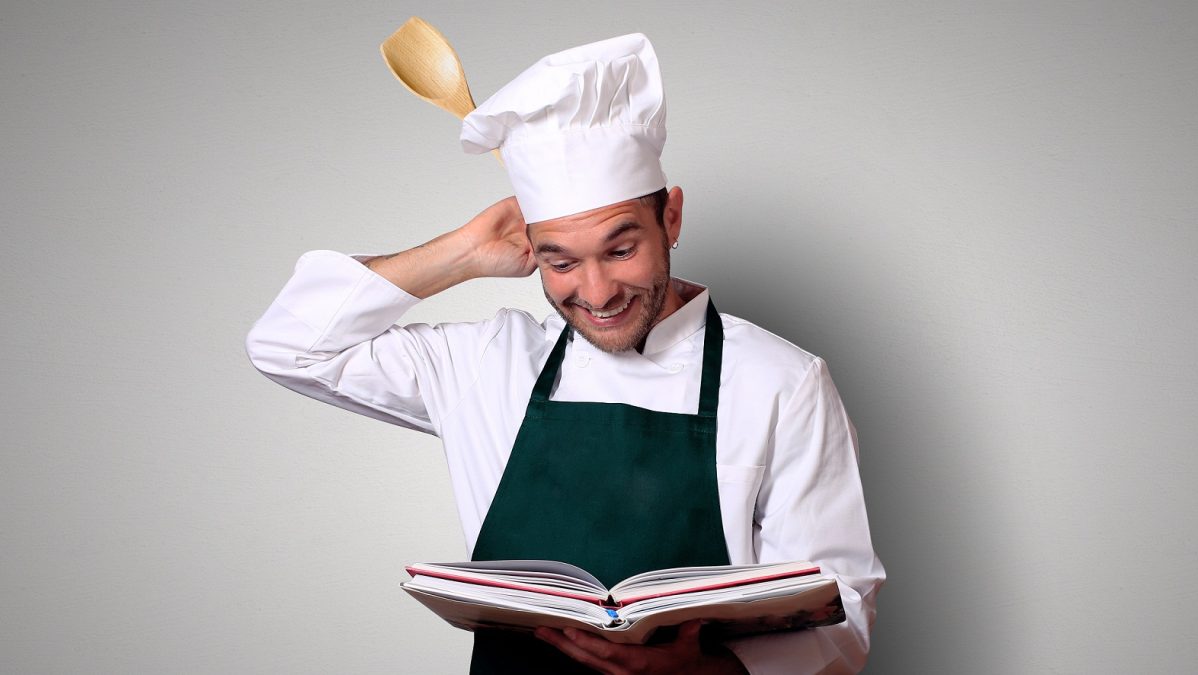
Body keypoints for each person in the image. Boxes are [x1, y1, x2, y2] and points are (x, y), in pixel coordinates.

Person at [245, 33, 884, 674]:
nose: (598, 293)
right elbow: (289, 345)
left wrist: (707, 674)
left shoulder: (782, 382)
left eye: (620, 250)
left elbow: (842, 613)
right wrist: (461, 252)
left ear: (671, 219)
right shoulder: (489, 364)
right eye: (562, 262)